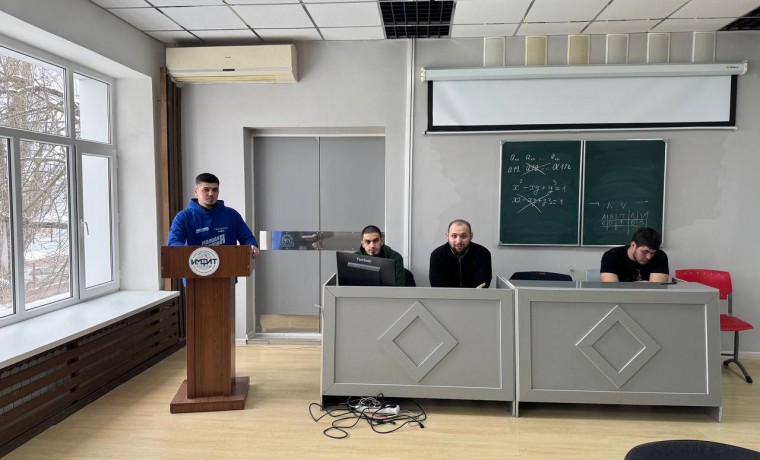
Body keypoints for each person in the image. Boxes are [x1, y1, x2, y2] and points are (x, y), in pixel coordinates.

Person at [167, 172, 260, 257]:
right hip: (195, 267)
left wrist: (252, 246)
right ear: (196, 192)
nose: (211, 194)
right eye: (206, 190)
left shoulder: (232, 215)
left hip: (228, 266)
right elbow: (174, 243)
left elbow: (247, 238)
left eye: (215, 190)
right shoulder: (183, 217)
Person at [429, 219, 492, 288]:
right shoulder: (437, 255)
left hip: (475, 295)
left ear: (471, 236)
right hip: (446, 295)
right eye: (454, 236)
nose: (458, 241)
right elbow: (437, 287)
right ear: (447, 236)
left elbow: (482, 285)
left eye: (463, 236)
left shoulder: (483, 254)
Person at [600, 227, 668, 282]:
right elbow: (611, 289)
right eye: (644, 252)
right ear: (633, 245)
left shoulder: (660, 256)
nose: (649, 257)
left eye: (652, 253)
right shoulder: (611, 256)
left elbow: (656, 289)